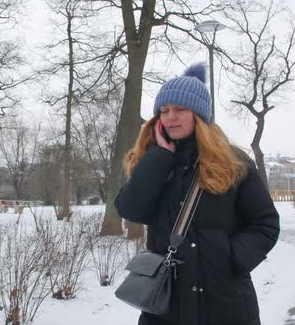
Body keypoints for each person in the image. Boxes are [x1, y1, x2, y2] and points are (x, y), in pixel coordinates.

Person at [114, 63, 280, 325]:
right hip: (166, 308)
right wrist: (160, 157)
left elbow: (265, 224)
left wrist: (230, 258)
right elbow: (131, 210)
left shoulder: (233, 162)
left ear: (199, 115)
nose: (170, 117)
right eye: (164, 111)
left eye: (180, 109)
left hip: (226, 305)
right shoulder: (151, 161)